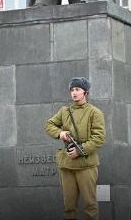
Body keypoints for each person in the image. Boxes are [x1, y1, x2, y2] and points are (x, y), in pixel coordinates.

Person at [45, 77, 106, 220]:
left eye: (77, 89)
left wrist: (79, 150)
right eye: (72, 90)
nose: (74, 93)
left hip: (86, 165)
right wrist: (60, 133)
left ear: (86, 92)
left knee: (90, 205)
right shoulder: (64, 111)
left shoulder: (94, 112)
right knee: (69, 207)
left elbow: (99, 138)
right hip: (67, 165)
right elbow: (49, 125)